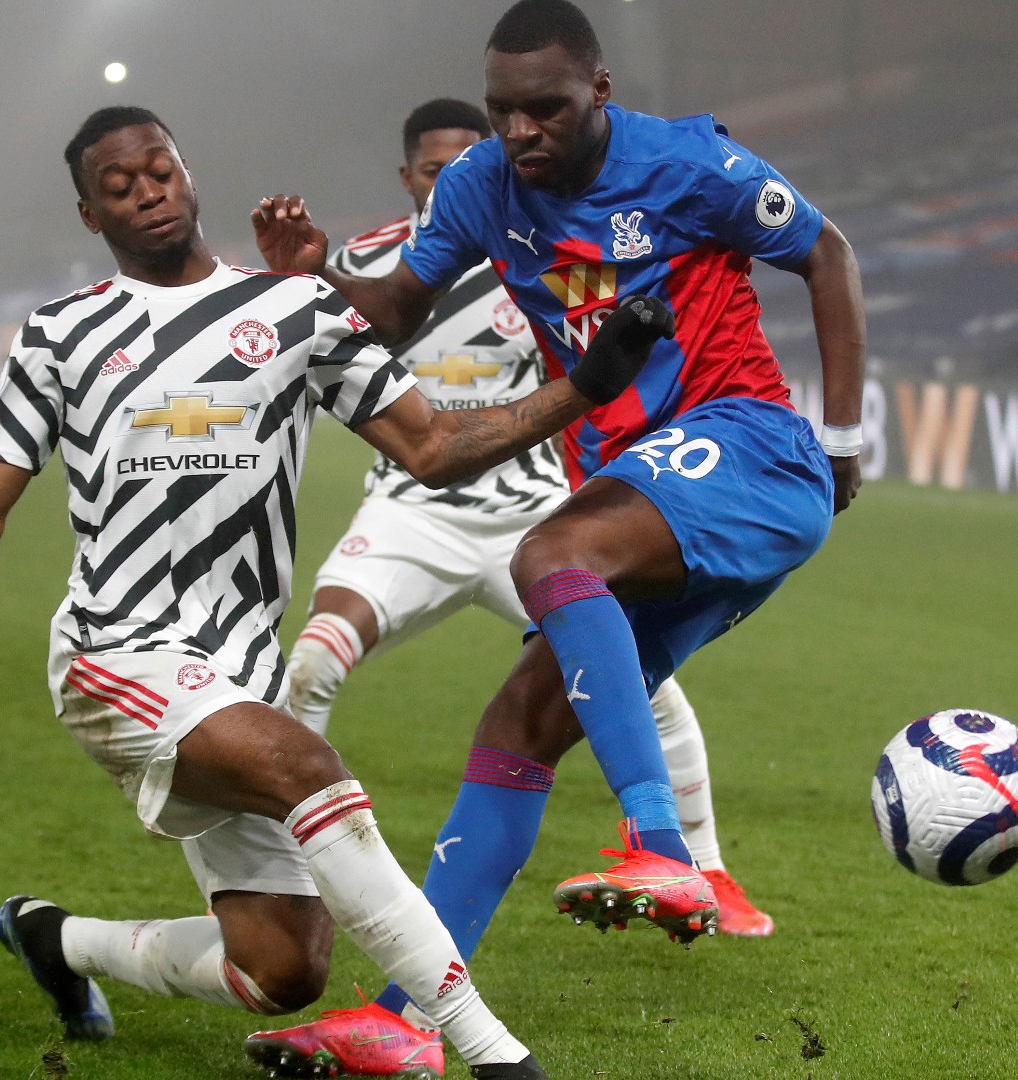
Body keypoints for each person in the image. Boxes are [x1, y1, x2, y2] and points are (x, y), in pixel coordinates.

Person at [0, 104, 670, 1080]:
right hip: (114, 655)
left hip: (231, 675)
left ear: (187, 170)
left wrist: (586, 383)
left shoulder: (299, 311)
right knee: (308, 767)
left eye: (157, 170)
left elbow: (435, 447)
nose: (145, 193)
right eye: (117, 187)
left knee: (282, 967)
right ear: (91, 214)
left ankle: (55, 940)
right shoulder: (62, 333)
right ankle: (498, 1059)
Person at [251, 0, 866, 1063]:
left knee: (550, 552)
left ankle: (664, 849)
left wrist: (844, 439)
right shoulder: (484, 185)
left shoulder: (688, 165)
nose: (522, 130)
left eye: (546, 108)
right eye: (504, 111)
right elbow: (394, 312)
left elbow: (830, 254)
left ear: (601, 93)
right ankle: (403, 1024)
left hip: (749, 448)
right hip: (646, 495)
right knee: (516, 723)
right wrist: (315, 273)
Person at [286, 98, 773, 935]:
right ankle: (285, 864)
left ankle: (708, 868)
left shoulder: (541, 252)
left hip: (531, 508)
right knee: (313, 663)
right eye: (435, 172)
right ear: (408, 179)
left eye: (468, 165)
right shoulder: (364, 265)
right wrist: (308, 276)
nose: (456, 182)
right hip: (411, 512)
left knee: (644, 684)